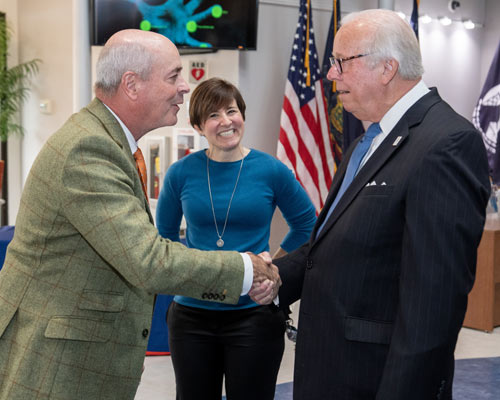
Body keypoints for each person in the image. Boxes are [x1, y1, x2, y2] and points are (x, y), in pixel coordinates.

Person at [0, 30, 280, 400]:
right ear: (131, 84)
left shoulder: (106, 141)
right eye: (173, 76)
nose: (184, 87)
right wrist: (247, 269)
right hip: (59, 364)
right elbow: (146, 259)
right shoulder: (89, 148)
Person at [252, 9, 491, 400]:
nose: (330, 75)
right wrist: (276, 275)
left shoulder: (445, 144)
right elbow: (332, 243)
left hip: (376, 381)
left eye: (341, 63)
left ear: (387, 68)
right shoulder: (369, 140)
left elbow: (433, 304)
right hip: (328, 371)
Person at [155, 77, 316, 400]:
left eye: (231, 111)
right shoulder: (180, 173)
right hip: (191, 317)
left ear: (242, 114)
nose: (226, 122)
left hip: (254, 314)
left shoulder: (271, 170)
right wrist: (192, 274)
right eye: (213, 116)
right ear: (199, 126)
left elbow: (307, 226)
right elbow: (165, 241)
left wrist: (271, 269)